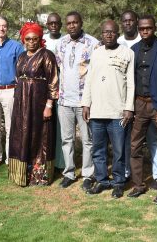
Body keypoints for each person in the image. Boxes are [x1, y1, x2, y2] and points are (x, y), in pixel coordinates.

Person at [82, 20, 135, 198]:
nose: (109, 35)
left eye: (112, 32)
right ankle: (102, 180)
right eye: (105, 32)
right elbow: (89, 81)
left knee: (119, 150)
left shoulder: (127, 53)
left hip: (118, 112)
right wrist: (86, 104)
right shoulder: (96, 54)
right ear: (102, 34)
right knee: (98, 149)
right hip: (97, 110)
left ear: (117, 33)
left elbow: (131, 84)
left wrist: (129, 108)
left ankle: (119, 182)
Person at [128, 15, 157, 204]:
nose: (145, 31)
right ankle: (138, 185)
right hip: (139, 104)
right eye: (141, 28)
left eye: (148, 28)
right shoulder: (134, 50)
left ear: (155, 28)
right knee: (135, 147)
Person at [8, 22, 58, 186]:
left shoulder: (47, 55)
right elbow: (17, 79)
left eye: (34, 39)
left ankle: (39, 175)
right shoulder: (22, 56)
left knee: (39, 136)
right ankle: (22, 173)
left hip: (39, 103)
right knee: (22, 135)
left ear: (39, 39)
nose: (31, 42)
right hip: (22, 103)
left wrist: (49, 105)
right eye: (28, 39)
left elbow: (53, 82)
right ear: (23, 39)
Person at [55, 11, 98, 190]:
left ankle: (88, 174)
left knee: (88, 140)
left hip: (84, 102)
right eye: (69, 23)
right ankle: (69, 172)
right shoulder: (61, 43)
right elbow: (59, 68)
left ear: (81, 23)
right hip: (64, 100)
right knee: (67, 139)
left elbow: (95, 71)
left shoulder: (92, 43)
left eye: (75, 22)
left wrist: (88, 101)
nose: (72, 25)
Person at [117, 10, 157, 185]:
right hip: (130, 101)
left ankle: (156, 175)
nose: (128, 23)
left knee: (153, 139)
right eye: (124, 21)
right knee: (130, 140)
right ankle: (129, 172)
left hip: (150, 100)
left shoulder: (143, 41)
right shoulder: (118, 42)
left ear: (136, 22)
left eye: (131, 20)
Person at [0, 15, 25, 171]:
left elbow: (22, 68)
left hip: (10, 90)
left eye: (4, 25)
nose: (1, 28)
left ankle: (10, 158)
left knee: (11, 127)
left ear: (7, 27)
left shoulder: (16, 46)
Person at [43, 12, 66, 171]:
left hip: (62, 88)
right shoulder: (42, 40)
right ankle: (44, 157)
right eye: (50, 23)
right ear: (47, 25)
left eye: (56, 23)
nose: (53, 26)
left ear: (60, 25)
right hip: (43, 88)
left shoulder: (65, 40)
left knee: (60, 126)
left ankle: (60, 161)